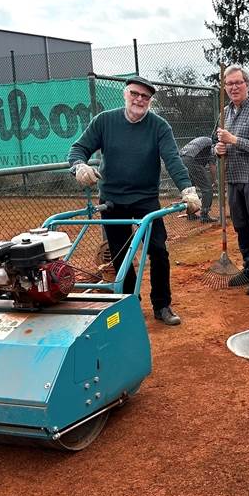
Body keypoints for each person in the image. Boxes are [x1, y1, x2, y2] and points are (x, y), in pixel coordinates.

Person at [68, 75, 201, 326]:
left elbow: (172, 159)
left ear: (150, 101)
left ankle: (162, 305)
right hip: (112, 200)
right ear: (125, 94)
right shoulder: (104, 121)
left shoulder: (159, 126)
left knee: (159, 251)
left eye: (145, 97)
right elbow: (78, 148)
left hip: (145, 200)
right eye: (135, 94)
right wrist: (78, 166)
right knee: (121, 256)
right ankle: (129, 304)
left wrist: (187, 189)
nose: (139, 100)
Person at [213, 64, 249, 295]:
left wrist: (233, 140)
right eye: (229, 84)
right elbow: (214, 145)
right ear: (224, 87)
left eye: (238, 83)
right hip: (233, 179)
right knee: (241, 226)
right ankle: (248, 267)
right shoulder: (223, 114)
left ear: (247, 84)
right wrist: (218, 149)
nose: (234, 87)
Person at [179, 136, 217, 223]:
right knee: (207, 189)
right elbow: (212, 165)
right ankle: (204, 215)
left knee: (191, 188)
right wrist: (214, 180)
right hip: (191, 159)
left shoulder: (204, 140)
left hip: (181, 158)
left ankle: (191, 214)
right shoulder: (212, 146)